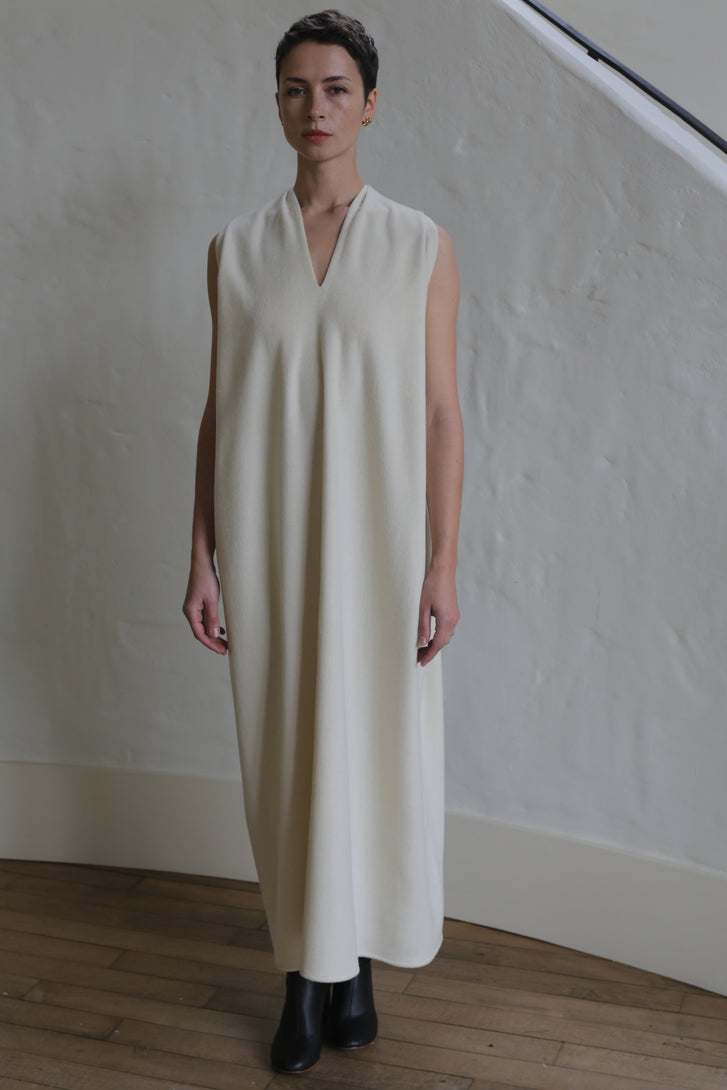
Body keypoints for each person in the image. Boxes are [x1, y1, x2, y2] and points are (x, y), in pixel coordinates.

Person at [182, 9, 463, 1075]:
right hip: (270, 545)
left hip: (382, 550)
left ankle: (350, 971)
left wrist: (441, 561)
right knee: (290, 752)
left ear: (370, 104)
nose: (316, 108)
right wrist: (201, 553)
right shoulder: (234, 251)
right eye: (296, 88)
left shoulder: (418, 244)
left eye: (336, 88)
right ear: (278, 104)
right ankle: (307, 974)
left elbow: (441, 413)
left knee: (375, 747)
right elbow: (220, 407)